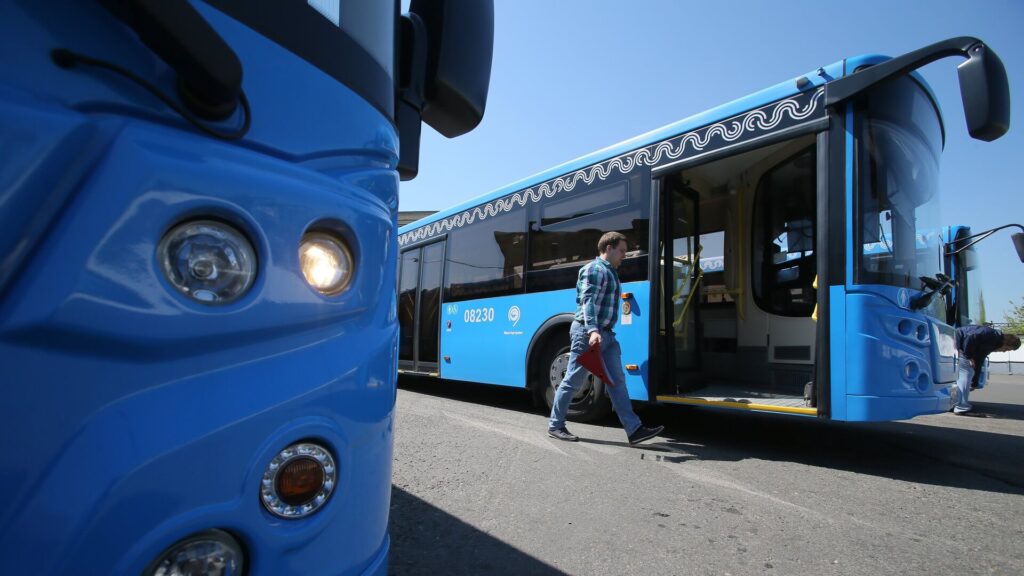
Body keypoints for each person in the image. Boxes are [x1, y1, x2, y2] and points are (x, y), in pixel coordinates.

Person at [547, 231, 664, 444]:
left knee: (617, 382)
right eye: (621, 250)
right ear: (608, 248)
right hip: (588, 332)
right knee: (574, 379)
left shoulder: (611, 272)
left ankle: (634, 430)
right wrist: (593, 330)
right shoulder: (594, 269)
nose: (624, 255)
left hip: (607, 334)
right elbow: (588, 301)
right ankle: (555, 425)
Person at [952, 324, 1021, 415]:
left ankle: (956, 403)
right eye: (1007, 349)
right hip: (957, 341)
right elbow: (971, 336)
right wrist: (969, 356)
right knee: (966, 372)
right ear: (1006, 343)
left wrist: (974, 382)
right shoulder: (992, 335)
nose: (1004, 351)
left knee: (969, 372)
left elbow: (979, 360)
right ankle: (961, 407)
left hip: (960, 343)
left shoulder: (992, 343)